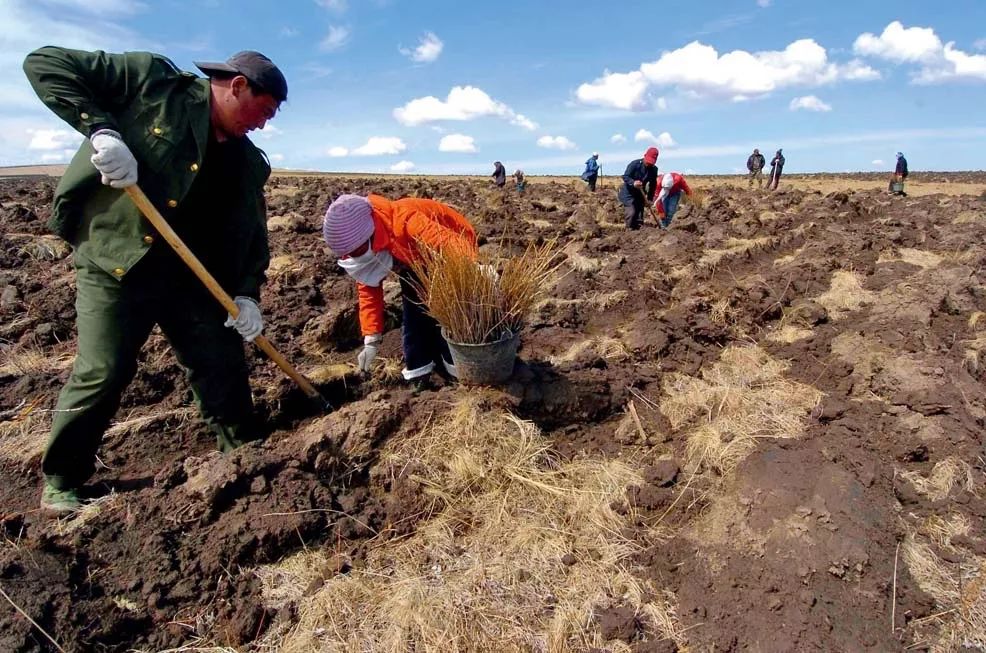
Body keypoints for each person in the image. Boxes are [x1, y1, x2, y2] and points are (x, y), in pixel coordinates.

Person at [22, 47, 287, 514]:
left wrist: (246, 293)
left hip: (191, 275)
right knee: (104, 369)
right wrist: (101, 131)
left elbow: (251, 233)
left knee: (220, 360)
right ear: (237, 86)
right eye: (263, 112)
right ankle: (62, 478)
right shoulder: (151, 84)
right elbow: (44, 63)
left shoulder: (247, 162)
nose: (263, 125)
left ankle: (243, 451)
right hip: (120, 258)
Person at [322, 194, 477, 386]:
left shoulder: (406, 222)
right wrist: (371, 338)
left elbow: (453, 244)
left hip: (450, 243)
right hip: (410, 257)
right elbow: (368, 287)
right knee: (414, 309)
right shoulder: (363, 243)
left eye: (356, 252)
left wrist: (475, 269)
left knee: (448, 312)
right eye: (349, 254)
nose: (352, 256)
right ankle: (420, 370)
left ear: (370, 233)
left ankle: (458, 370)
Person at [618, 147, 659, 230]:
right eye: (648, 161)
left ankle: (639, 233)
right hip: (628, 192)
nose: (649, 164)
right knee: (631, 212)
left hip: (640, 193)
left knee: (639, 215)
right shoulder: (634, 164)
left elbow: (653, 185)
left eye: (651, 163)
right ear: (645, 156)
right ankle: (628, 230)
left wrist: (650, 199)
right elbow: (625, 176)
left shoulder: (654, 169)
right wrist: (633, 183)